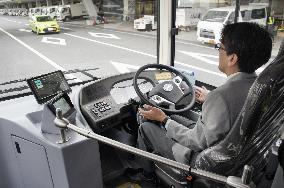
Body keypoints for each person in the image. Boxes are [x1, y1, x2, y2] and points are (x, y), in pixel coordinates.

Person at [135, 22, 273, 179]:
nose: (218, 52)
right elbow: (237, 110)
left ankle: (147, 177)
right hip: (237, 157)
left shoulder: (221, 96)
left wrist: (163, 119)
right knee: (174, 117)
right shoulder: (260, 88)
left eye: (220, 48)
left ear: (232, 58)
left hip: (202, 161)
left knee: (146, 126)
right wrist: (211, 99)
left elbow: (196, 142)